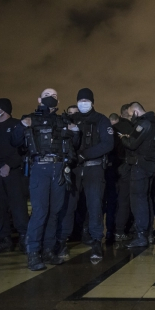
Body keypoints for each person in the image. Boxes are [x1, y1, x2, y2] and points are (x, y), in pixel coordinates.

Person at [11, 88, 79, 270]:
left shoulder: (62, 120)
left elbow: (75, 143)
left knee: (55, 211)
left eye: (55, 96)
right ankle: (33, 252)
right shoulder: (30, 119)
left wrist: (75, 130)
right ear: (39, 98)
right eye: (48, 96)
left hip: (58, 168)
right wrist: (22, 126)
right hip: (40, 167)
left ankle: (48, 250)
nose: (52, 99)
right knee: (40, 211)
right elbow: (15, 140)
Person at [55, 89, 114, 262]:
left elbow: (108, 144)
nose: (82, 103)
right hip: (74, 169)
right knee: (68, 205)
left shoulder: (102, 120)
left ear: (92, 102)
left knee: (95, 204)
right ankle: (62, 240)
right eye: (80, 100)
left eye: (86, 100)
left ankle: (96, 241)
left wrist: (84, 155)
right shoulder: (72, 120)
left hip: (93, 167)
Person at [0, 98, 29, 254]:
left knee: (18, 206)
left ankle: (24, 237)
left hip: (13, 172)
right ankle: (3, 239)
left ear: (3, 109)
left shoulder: (17, 125)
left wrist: (9, 165)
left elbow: (22, 150)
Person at [120, 102, 155, 248]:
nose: (131, 118)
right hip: (151, 167)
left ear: (137, 112)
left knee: (138, 201)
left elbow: (132, 143)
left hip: (140, 166)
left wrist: (122, 137)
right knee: (146, 199)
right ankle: (148, 233)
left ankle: (141, 235)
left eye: (132, 115)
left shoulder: (143, 124)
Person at [111, 109, 134, 241]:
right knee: (126, 200)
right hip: (129, 166)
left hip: (114, 167)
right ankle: (124, 229)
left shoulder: (113, 129)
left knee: (114, 199)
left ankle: (113, 229)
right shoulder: (135, 129)